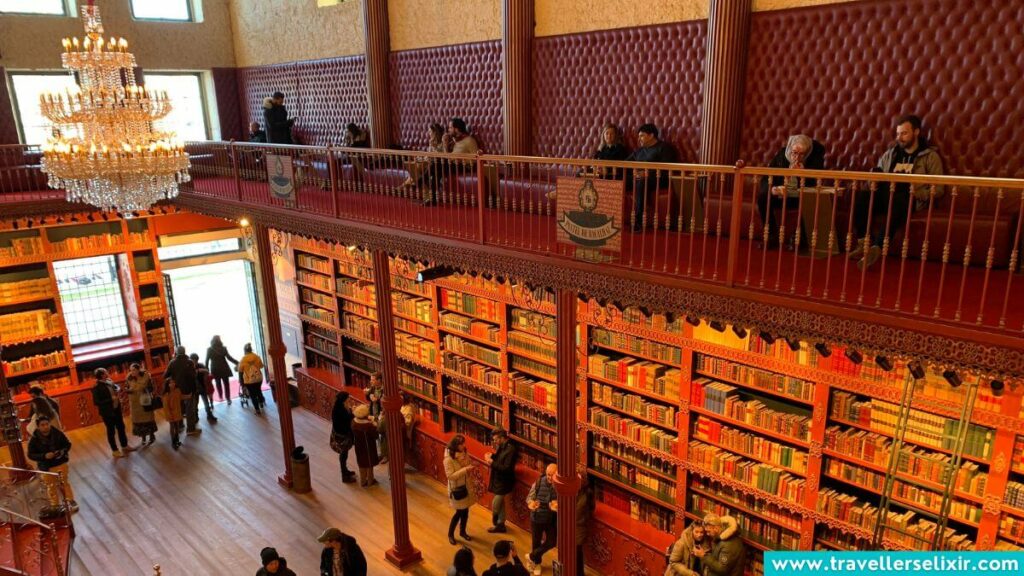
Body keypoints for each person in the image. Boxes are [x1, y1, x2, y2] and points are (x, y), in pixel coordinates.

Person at [852, 114, 944, 270]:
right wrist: (873, 179)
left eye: (904, 133)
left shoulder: (930, 156)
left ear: (916, 132)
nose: (899, 138)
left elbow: (940, 189)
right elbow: (877, 175)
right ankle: (863, 243)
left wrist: (917, 193)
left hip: (909, 199)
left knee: (900, 198)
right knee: (863, 197)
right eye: (898, 133)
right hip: (887, 195)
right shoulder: (891, 153)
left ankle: (877, 247)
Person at [756, 134, 826, 248]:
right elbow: (766, 177)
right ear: (790, 149)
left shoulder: (815, 158)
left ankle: (799, 238)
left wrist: (803, 173)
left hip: (800, 196)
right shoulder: (781, 155)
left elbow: (815, 184)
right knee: (763, 197)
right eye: (794, 153)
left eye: (801, 154)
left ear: (807, 152)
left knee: (811, 199)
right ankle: (771, 235)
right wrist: (773, 189)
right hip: (782, 195)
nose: (797, 157)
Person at [626, 124, 677, 231]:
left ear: (651, 135)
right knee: (620, 179)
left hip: (659, 179)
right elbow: (625, 163)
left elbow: (667, 169)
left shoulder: (664, 148)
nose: (639, 139)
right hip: (640, 178)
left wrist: (647, 173)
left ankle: (638, 222)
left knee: (642, 181)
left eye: (642, 136)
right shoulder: (640, 150)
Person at [26, 415, 77, 514]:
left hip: (60, 462)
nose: (45, 426)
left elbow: (67, 444)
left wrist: (61, 451)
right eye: (42, 425)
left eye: (47, 424)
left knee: (64, 483)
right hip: (46, 466)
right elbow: (31, 455)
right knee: (51, 486)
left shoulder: (57, 433)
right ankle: (55, 505)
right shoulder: (34, 439)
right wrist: (44, 456)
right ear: (38, 427)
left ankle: (70, 501)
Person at [91, 368, 134, 458]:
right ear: (102, 375)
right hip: (107, 412)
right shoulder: (96, 387)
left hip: (116, 409)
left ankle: (124, 445)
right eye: (105, 372)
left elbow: (115, 387)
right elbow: (96, 402)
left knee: (121, 427)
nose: (107, 373)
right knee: (111, 431)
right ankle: (115, 450)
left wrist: (117, 389)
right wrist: (111, 399)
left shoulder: (109, 381)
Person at [525, 463, 558, 575]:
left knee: (552, 541)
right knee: (536, 542)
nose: (549, 478)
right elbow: (529, 498)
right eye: (548, 475)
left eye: (552, 475)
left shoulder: (558, 486)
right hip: (537, 517)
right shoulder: (539, 482)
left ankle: (532, 556)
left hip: (550, 519)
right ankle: (537, 564)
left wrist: (557, 506)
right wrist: (531, 504)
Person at [444, 434, 476, 545]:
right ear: (456, 445)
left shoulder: (464, 453)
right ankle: (450, 534)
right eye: (461, 444)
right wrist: (465, 469)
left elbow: (468, 464)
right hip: (457, 489)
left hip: (466, 486)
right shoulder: (448, 459)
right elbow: (450, 476)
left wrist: (467, 463)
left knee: (465, 511)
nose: (464, 445)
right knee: (458, 513)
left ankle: (462, 532)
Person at [485, 428, 518, 533]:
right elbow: (499, 459)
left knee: (496, 503)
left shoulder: (511, 450)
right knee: (501, 503)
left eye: (496, 439)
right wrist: (492, 456)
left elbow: (507, 468)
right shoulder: (502, 446)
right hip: (498, 478)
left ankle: (495, 518)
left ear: (502, 438)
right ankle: (501, 525)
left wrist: (491, 462)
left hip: (504, 480)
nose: (494, 441)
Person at [164, 346, 200, 435]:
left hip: (176, 390)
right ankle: (190, 429)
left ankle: (180, 426)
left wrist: (174, 379)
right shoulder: (190, 362)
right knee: (189, 410)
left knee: (178, 409)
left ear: (176, 352)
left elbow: (165, 376)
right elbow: (193, 376)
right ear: (185, 351)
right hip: (189, 389)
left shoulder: (172, 362)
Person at [125, 363, 158, 445]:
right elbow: (126, 387)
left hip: (144, 400)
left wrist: (144, 389)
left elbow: (151, 388)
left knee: (148, 419)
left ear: (138, 370)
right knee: (138, 421)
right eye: (131, 370)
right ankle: (143, 437)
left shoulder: (146, 376)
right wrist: (128, 390)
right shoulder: (129, 378)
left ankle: (151, 435)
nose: (132, 372)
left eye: (134, 370)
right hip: (135, 402)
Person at [351, 404, 380, 487]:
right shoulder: (368, 426)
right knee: (369, 464)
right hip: (368, 447)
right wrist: (374, 423)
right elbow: (376, 435)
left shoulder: (354, 422)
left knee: (361, 463)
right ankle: (370, 481)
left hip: (358, 446)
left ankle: (363, 481)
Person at [331, 391, 356, 483]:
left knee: (344, 454)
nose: (349, 399)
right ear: (344, 400)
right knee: (343, 454)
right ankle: (344, 476)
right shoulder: (340, 410)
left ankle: (345, 470)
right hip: (342, 436)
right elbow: (346, 419)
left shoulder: (339, 407)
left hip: (341, 433)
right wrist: (353, 413)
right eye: (348, 398)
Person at [206, 335, 238, 404]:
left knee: (218, 382)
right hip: (224, 367)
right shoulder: (223, 348)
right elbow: (229, 358)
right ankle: (228, 398)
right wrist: (237, 362)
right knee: (226, 383)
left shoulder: (209, 349)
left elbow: (207, 360)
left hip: (215, 368)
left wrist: (206, 370)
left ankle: (220, 395)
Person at [237, 343, 267, 415]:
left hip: (249, 380)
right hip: (258, 378)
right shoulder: (256, 357)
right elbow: (261, 366)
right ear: (251, 349)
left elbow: (240, 372)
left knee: (252, 395)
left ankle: (257, 410)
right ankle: (261, 403)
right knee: (258, 390)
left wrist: (242, 383)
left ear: (244, 350)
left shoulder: (243, 359)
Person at [576, 473, 596, 576]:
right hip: (571, 525)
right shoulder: (573, 491)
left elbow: (591, 507)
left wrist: (585, 517)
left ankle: (579, 573)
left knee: (577, 552)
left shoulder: (587, 493)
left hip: (580, 526)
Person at [191, 353, 218, 423]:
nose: (195, 362)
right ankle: (195, 417)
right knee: (195, 404)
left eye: (196, 361)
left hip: (202, 386)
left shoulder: (201, 365)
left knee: (206, 402)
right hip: (194, 388)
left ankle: (209, 415)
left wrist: (202, 370)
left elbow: (208, 372)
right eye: (193, 361)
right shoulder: (189, 367)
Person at [163, 374, 185, 450]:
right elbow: (166, 407)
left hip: (177, 412)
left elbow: (181, 397)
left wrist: (188, 396)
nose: (172, 384)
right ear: (167, 385)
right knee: (172, 427)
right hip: (171, 414)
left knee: (177, 427)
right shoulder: (166, 394)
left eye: (173, 382)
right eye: (170, 383)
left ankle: (177, 439)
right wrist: (169, 415)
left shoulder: (177, 390)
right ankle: (173, 442)